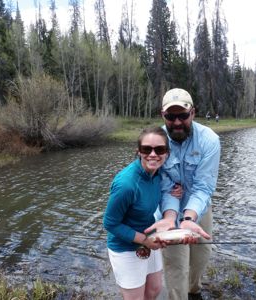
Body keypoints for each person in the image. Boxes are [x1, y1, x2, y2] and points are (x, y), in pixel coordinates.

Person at [146, 88, 221, 300]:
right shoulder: (156, 142)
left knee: (200, 258)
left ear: (193, 113)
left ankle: (194, 292)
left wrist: (188, 217)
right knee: (176, 266)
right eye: (171, 116)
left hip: (200, 209)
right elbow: (164, 187)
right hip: (167, 212)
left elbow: (204, 187)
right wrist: (171, 217)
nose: (177, 122)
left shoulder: (209, 140)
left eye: (183, 115)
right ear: (163, 116)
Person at [103, 127, 171, 300]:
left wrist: (174, 191)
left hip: (150, 239)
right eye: (147, 149)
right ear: (139, 152)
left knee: (154, 290)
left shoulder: (158, 173)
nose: (153, 154)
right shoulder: (126, 184)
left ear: (167, 153)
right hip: (125, 247)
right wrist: (144, 240)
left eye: (160, 149)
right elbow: (110, 224)